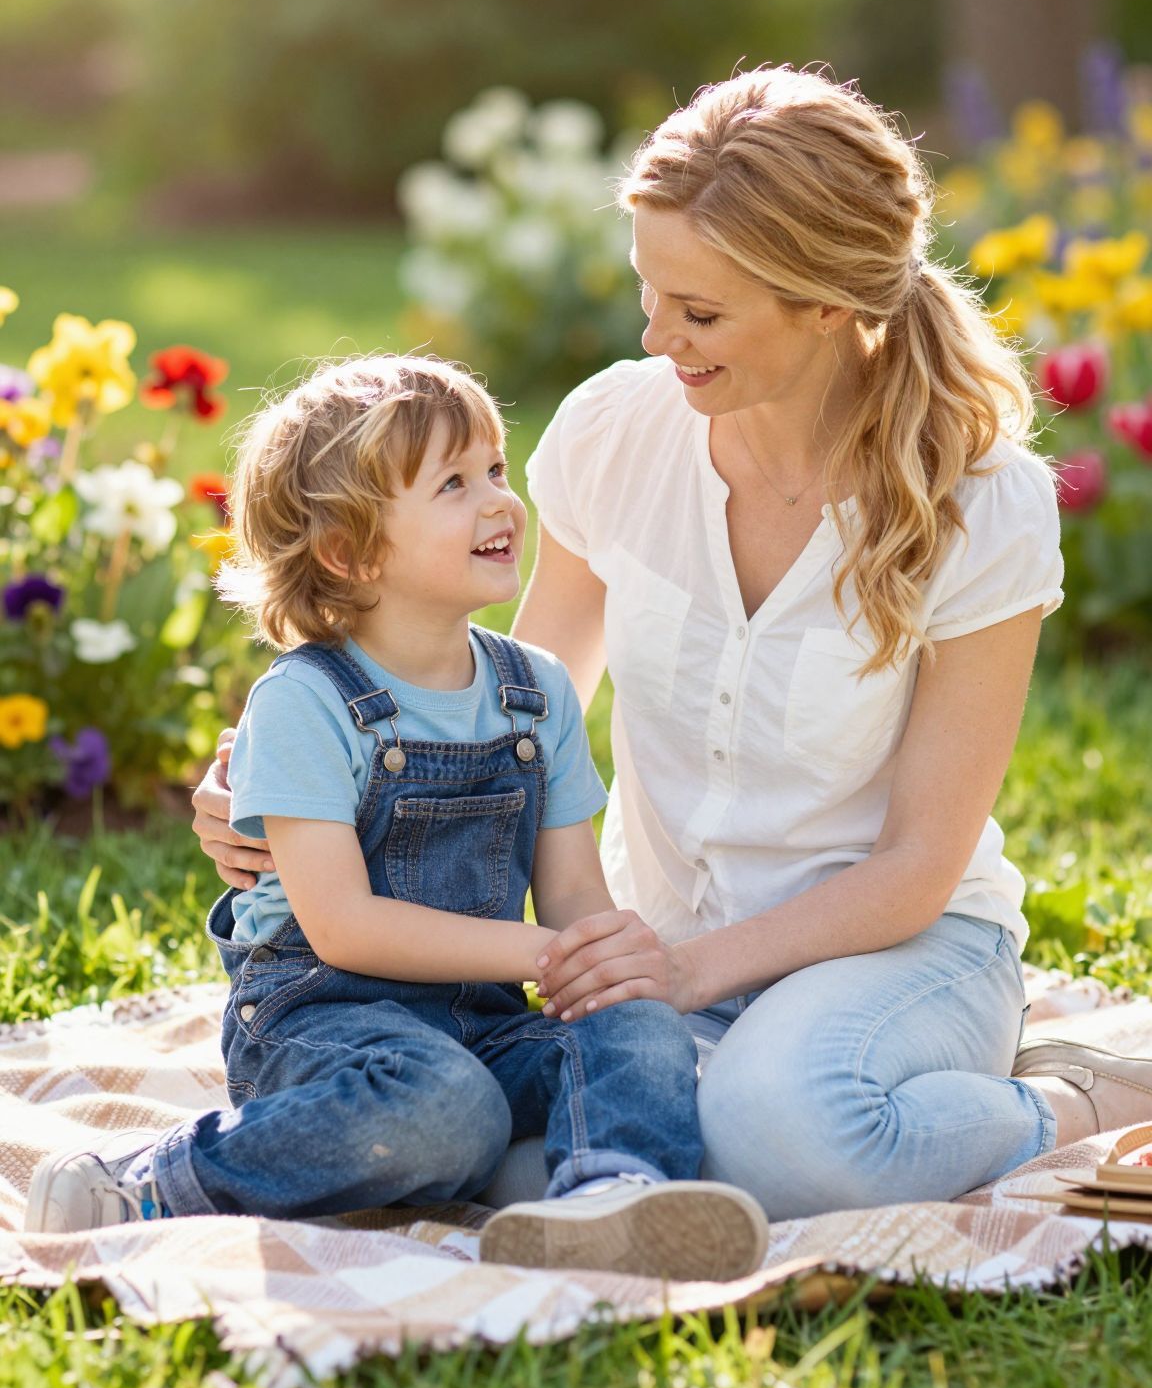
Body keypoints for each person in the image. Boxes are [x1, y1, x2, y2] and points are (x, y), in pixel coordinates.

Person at [191, 68, 1152, 1221]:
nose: (659, 338)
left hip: (897, 943)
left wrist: (691, 970)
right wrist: (291, 792)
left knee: (784, 1142)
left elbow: (916, 866)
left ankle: (1064, 1099)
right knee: (515, 1162)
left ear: (830, 299)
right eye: (651, 294)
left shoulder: (981, 499)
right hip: (666, 951)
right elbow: (516, 718)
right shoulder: (622, 429)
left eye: (700, 313)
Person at [25, 354, 769, 1281]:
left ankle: (612, 1198)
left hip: (481, 1023)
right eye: (453, 485)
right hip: (323, 1028)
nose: (499, 502)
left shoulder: (534, 693)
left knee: (642, 1025)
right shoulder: (305, 702)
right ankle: (159, 1178)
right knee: (447, 1109)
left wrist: (602, 965)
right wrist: (541, 956)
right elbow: (342, 927)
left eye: (495, 470)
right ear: (349, 551)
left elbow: (574, 890)